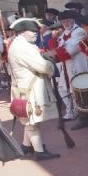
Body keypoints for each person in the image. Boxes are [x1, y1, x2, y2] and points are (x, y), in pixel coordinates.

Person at [7, 18, 61, 161]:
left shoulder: (22, 43)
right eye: (31, 31)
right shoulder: (22, 47)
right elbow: (42, 66)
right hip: (29, 90)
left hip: (26, 87)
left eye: (36, 31)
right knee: (32, 121)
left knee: (30, 120)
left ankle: (26, 146)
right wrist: (51, 65)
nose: (35, 34)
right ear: (22, 32)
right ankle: (39, 151)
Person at [49, 9, 88, 127]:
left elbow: (69, 51)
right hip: (66, 66)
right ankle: (71, 112)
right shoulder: (63, 34)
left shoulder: (79, 32)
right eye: (63, 22)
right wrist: (54, 43)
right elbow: (57, 50)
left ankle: (85, 117)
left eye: (67, 21)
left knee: (79, 92)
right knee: (64, 89)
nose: (66, 24)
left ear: (72, 20)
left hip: (78, 66)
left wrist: (55, 52)